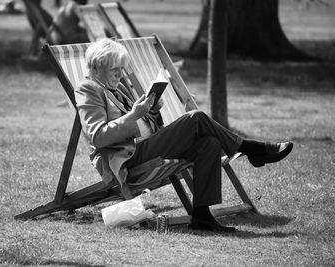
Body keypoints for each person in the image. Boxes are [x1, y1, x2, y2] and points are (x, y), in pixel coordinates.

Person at [74, 38, 293, 232]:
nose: (120, 75)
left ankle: (202, 216)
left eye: (122, 69)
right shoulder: (88, 89)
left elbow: (141, 122)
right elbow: (97, 136)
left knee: (209, 143)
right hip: (128, 159)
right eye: (115, 69)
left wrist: (152, 111)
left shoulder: (116, 88)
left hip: (147, 146)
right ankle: (252, 148)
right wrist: (133, 115)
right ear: (97, 66)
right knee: (195, 117)